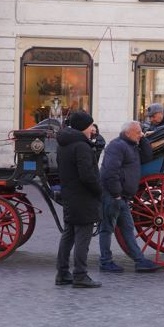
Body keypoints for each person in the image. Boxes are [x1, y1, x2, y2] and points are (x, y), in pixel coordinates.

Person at [98, 121, 159, 274]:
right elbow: (109, 172)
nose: (140, 134)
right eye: (138, 132)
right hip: (113, 195)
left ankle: (140, 261)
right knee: (106, 228)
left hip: (122, 197)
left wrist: (143, 138)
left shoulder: (132, 146)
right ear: (127, 133)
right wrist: (117, 194)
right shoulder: (117, 146)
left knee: (127, 228)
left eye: (141, 132)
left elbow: (147, 156)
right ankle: (105, 262)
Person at [54, 111, 103, 288]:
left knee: (68, 235)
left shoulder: (64, 144)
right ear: (83, 126)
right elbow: (87, 175)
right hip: (83, 197)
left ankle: (62, 272)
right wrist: (99, 191)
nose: (92, 129)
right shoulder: (81, 146)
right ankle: (80, 275)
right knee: (83, 237)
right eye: (90, 125)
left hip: (70, 195)